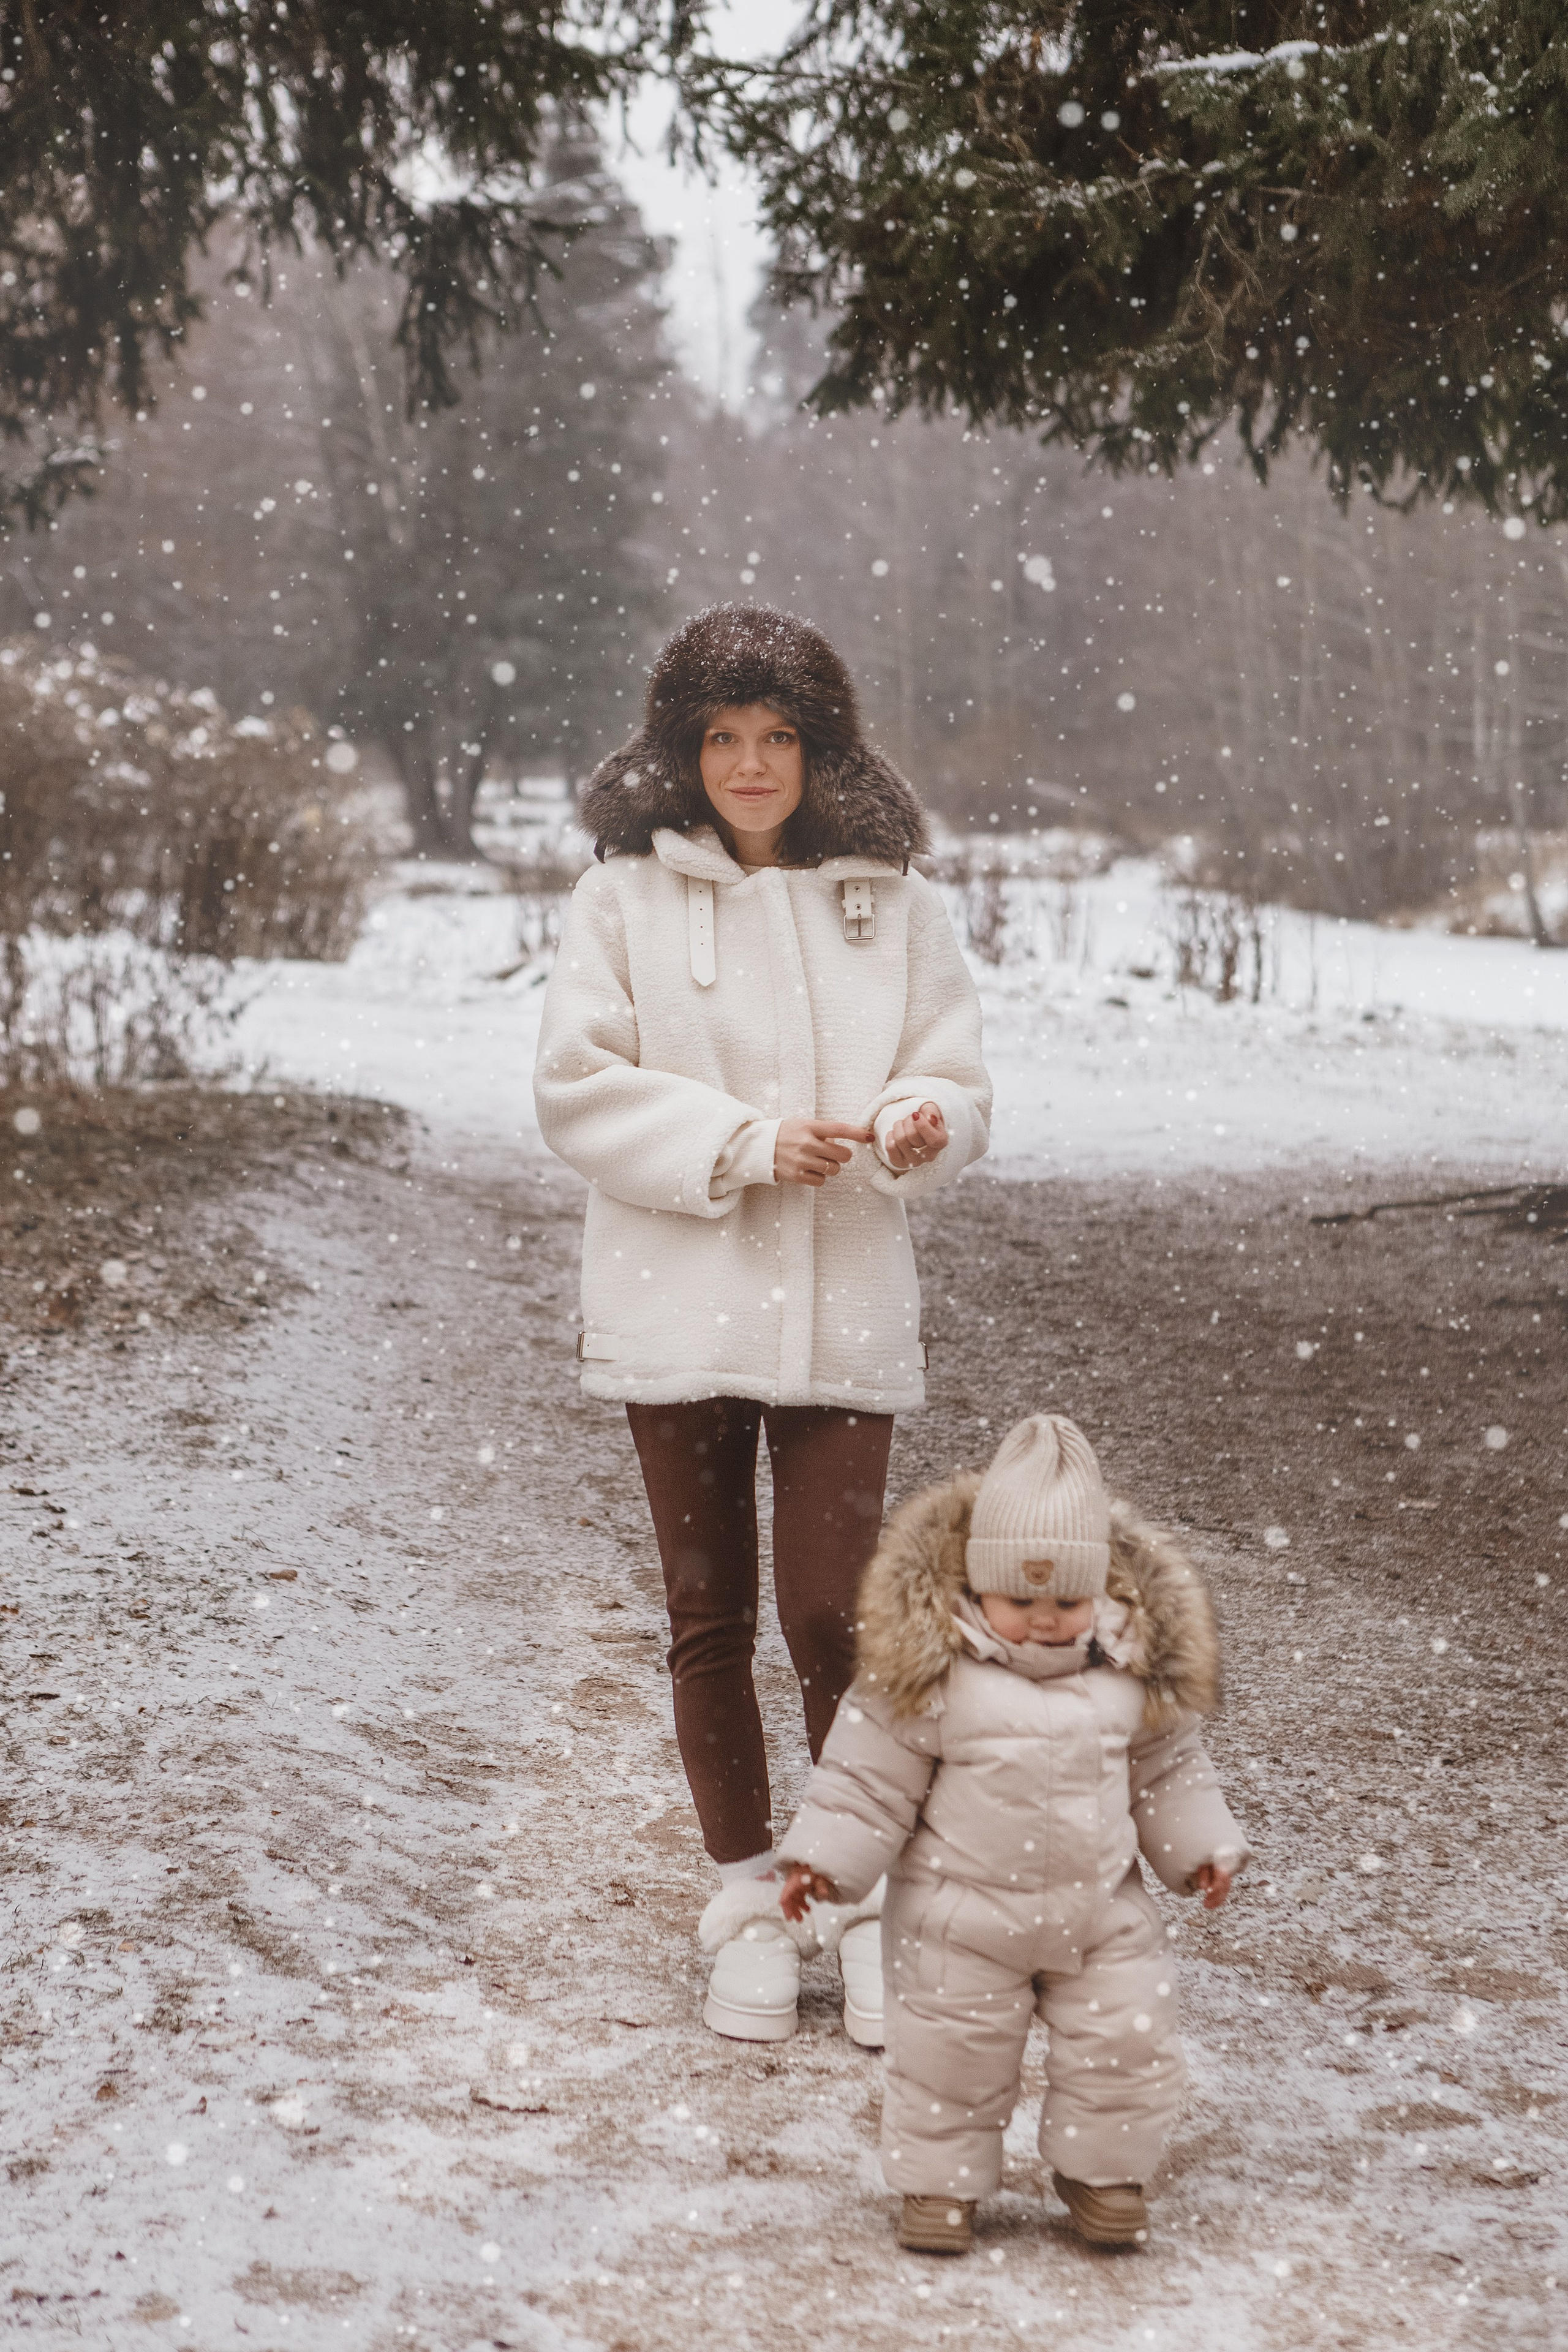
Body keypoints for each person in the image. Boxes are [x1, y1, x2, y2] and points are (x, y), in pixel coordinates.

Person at [533, 603, 992, 2043]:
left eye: (776, 736)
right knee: (707, 1614)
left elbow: (954, 1075)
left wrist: (925, 1122)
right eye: (721, 738)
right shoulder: (618, 900)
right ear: (682, 749)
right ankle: (745, 1900)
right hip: (678, 1297)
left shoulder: (898, 904)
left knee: (835, 1613)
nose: (748, 765)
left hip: (844, 1295)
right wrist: (740, 1141)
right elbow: (575, 1089)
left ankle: (853, 1901)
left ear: (818, 746)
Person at [774, 1411, 1251, 2255]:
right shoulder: (932, 1677)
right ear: (971, 1586)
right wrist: (824, 1859)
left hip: (1102, 1913)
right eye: (1018, 1597)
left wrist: (1202, 1849)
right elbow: (865, 1781)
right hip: (961, 1917)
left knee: (1125, 2044)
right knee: (951, 2056)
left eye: (1067, 1600)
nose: (1041, 1618)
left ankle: (1102, 2174)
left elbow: (1172, 1775)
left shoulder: (1131, 1678)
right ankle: (939, 2186)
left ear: (1101, 1590)